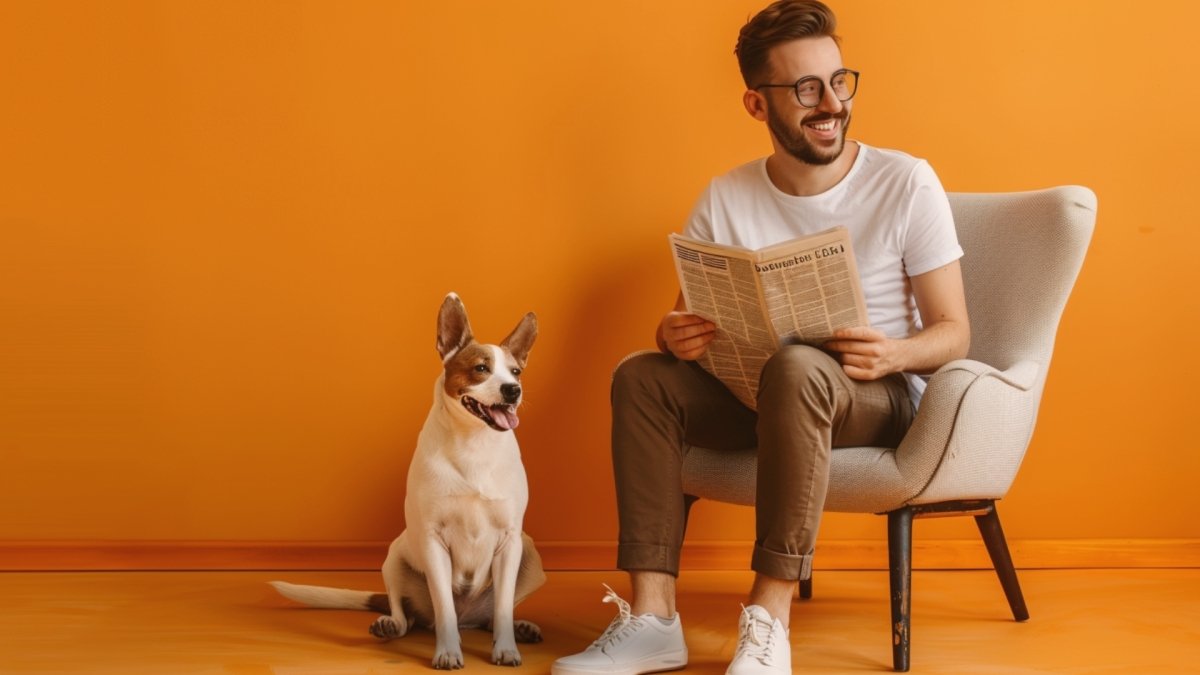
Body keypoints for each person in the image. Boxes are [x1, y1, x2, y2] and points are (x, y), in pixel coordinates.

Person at [552, 1, 970, 673]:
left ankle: (769, 618)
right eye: (806, 89)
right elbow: (683, 318)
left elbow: (955, 332)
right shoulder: (727, 195)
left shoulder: (905, 181)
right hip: (761, 392)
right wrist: (672, 333)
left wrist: (894, 351)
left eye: (839, 81)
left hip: (873, 395)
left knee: (800, 367)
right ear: (757, 104)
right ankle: (654, 619)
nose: (830, 103)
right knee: (641, 374)